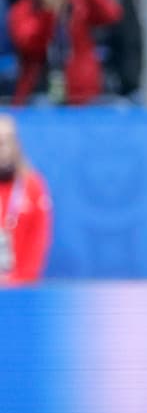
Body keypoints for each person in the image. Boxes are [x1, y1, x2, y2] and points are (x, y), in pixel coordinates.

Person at [8, 0, 123, 105]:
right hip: (39, 91)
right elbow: (30, 44)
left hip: (81, 93)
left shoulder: (79, 3)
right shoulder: (23, 9)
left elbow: (112, 15)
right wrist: (49, 11)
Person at [0, 115, 52, 286]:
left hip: (20, 289)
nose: (2, 148)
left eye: (5, 141)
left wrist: (19, 282)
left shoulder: (32, 186)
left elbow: (38, 242)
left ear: (16, 145)